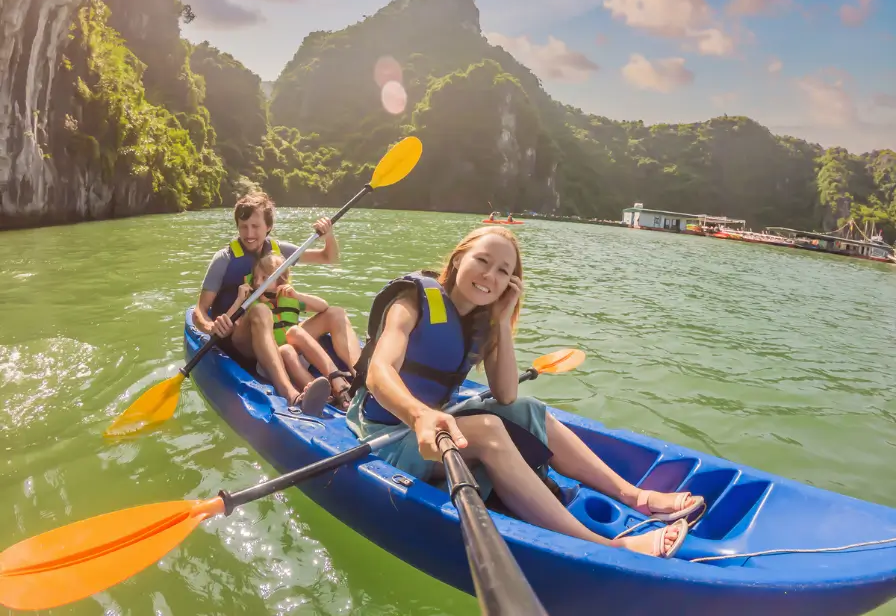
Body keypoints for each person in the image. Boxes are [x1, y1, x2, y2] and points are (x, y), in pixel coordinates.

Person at [345, 226, 702, 558]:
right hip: (389, 432)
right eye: (482, 261)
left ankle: (634, 496)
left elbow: (506, 394)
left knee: (528, 409)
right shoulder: (413, 301)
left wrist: (502, 319)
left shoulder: (481, 323)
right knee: (488, 430)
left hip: (437, 426)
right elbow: (379, 372)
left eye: (503, 271)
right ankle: (607, 546)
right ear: (458, 260)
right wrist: (419, 415)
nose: (490, 276)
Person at [193, 192, 362, 407]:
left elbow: (328, 257)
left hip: (280, 335)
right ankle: (290, 393)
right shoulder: (224, 259)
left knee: (335, 313)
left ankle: (362, 375)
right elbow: (199, 310)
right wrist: (210, 327)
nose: (249, 233)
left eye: (255, 226)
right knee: (261, 311)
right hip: (241, 338)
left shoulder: (279, 251)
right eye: (243, 226)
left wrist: (328, 235)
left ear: (268, 227)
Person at [226, 253, 354, 412]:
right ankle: (323, 396)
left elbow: (323, 307)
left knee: (294, 332)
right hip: (271, 362)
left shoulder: (289, 297)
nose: (258, 282)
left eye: (265, 278)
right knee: (286, 350)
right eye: (256, 278)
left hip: (296, 354)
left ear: (280, 280)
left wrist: (298, 295)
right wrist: (240, 300)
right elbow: (232, 327)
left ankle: (336, 382)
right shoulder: (252, 304)